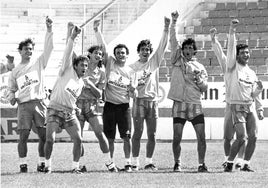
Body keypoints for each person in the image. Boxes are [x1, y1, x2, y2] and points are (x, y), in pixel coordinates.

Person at [210, 27, 264, 170]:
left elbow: (253, 94)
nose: (245, 55)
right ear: (237, 55)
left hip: (249, 106)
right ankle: (228, 161)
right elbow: (222, 54)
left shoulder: (251, 73)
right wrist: (229, 32)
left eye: (247, 52)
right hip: (233, 106)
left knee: (252, 137)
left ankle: (244, 163)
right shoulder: (231, 67)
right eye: (242, 53)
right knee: (233, 136)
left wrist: (259, 101)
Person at [7, 16, 53, 173]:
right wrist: (12, 97)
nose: (29, 51)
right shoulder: (15, 71)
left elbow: (49, 49)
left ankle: (41, 163)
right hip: (24, 105)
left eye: (31, 49)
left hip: (40, 103)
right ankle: (23, 164)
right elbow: (11, 89)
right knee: (23, 136)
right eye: (26, 49)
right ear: (20, 51)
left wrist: (49, 30)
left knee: (43, 135)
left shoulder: (39, 62)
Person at [167, 11, 208, 172]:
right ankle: (177, 162)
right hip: (179, 103)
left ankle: (201, 163)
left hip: (195, 104)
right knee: (177, 137)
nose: (188, 50)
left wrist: (199, 81)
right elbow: (173, 39)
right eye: (186, 48)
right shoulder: (176, 59)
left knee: (201, 137)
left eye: (191, 48)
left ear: (195, 51)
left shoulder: (200, 67)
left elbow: (205, 88)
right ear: (182, 50)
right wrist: (174, 21)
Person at [44, 24, 88, 174]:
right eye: (82, 64)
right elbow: (68, 53)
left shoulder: (81, 83)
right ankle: (47, 166)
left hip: (70, 113)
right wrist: (72, 37)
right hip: (54, 109)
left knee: (79, 139)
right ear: (75, 66)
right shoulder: (67, 70)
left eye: (86, 66)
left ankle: (75, 167)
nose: (85, 67)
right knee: (50, 139)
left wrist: (75, 107)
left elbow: (72, 97)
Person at [70, 20, 112, 172]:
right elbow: (71, 52)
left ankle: (109, 163)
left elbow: (99, 93)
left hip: (92, 105)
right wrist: (71, 34)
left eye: (101, 54)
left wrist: (90, 84)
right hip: (78, 104)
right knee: (78, 138)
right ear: (89, 55)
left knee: (100, 133)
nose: (99, 55)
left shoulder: (101, 73)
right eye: (96, 53)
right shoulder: (81, 65)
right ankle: (79, 165)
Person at [94, 20, 136, 172]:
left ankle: (128, 164)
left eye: (122, 53)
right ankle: (111, 164)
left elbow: (133, 93)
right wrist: (97, 30)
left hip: (124, 107)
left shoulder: (131, 72)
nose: (120, 55)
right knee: (110, 138)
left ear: (127, 54)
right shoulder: (110, 63)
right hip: (109, 106)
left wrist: (133, 90)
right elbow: (104, 49)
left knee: (126, 137)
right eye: (118, 52)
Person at [129, 16, 170, 171]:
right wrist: (133, 88)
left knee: (152, 134)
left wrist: (166, 28)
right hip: (139, 101)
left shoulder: (154, 63)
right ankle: (134, 162)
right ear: (138, 52)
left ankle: (149, 161)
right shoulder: (132, 67)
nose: (145, 52)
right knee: (137, 133)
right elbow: (130, 87)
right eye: (143, 50)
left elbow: (162, 47)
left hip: (152, 102)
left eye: (148, 50)